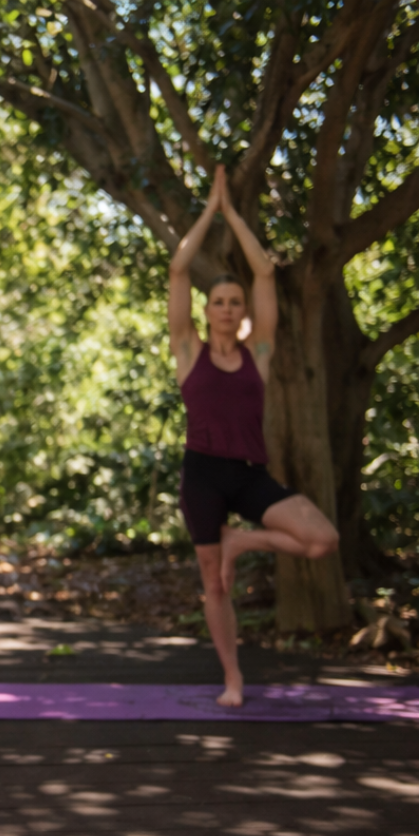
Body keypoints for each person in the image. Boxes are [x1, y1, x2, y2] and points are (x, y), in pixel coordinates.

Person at [168, 166, 339, 706]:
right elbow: (178, 268)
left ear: (244, 313)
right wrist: (208, 212)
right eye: (218, 301)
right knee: (214, 582)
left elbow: (264, 273)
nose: (227, 308)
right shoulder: (188, 350)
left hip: (249, 475)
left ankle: (241, 541)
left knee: (322, 540)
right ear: (206, 310)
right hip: (202, 473)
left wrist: (233, 215)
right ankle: (233, 679)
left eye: (234, 302)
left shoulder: (257, 354)